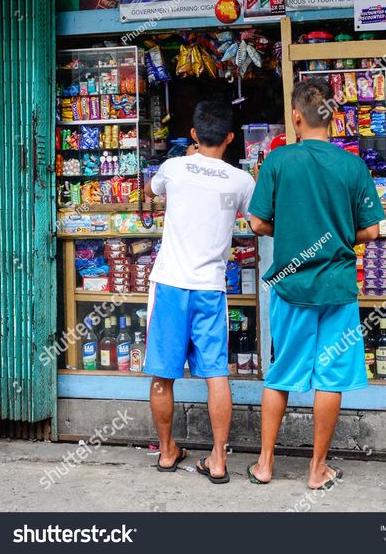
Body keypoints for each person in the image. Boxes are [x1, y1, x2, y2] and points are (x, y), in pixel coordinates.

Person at [247, 78, 385, 490]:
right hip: (337, 288)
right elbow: (372, 231)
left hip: (291, 285)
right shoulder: (352, 166)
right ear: (333, 116)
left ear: (295, 116)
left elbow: (256, 222)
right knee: (330, 379)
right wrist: (340, 234)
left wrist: (290, 230)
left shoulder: (279, 161)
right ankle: (316, 469)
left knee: (281, 373)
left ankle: (266, 465)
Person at [144, 101, 255, 484]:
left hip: (170, 283)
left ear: (193, 134)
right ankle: (219, 460)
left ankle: (166, 452)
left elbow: (150, 190)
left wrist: (187, 159)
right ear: (230, 138)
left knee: (162, 373)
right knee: (215, 374)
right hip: (210, 288)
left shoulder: (172, 168)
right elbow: (257, 221)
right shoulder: (241, 181)